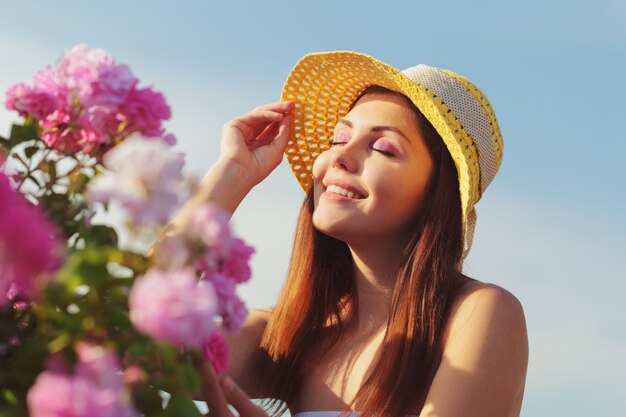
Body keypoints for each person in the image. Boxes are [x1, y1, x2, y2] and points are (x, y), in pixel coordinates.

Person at [164, 51, 528, 417]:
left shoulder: (480, 313)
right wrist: (231, 176)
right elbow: (130, 340)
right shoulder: (290, 334)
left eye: (383, 148)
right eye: (338, 139)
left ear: (437, 195)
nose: (340, 157)